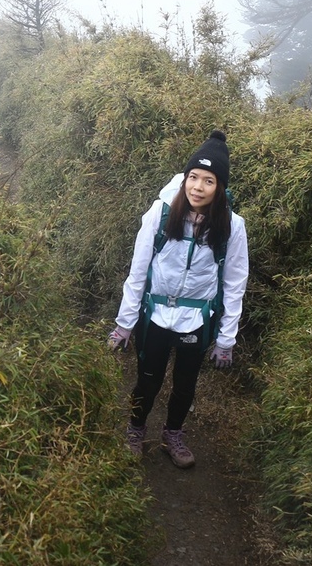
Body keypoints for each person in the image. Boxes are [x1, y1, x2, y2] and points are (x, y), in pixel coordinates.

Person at [107, 130, 249, 467]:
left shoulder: (232, 226)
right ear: (185, 178)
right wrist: (124, 325)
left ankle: (173, 435)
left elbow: (234, 283)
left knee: (185, 384)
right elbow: (138, 271)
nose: (198, 187)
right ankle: (136, 429)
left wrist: (226, 339)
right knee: (148, 380)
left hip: (196, 320)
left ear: (220, 187)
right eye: (193, 177)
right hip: (154, 315)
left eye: (208, 181)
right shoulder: (159, 214)